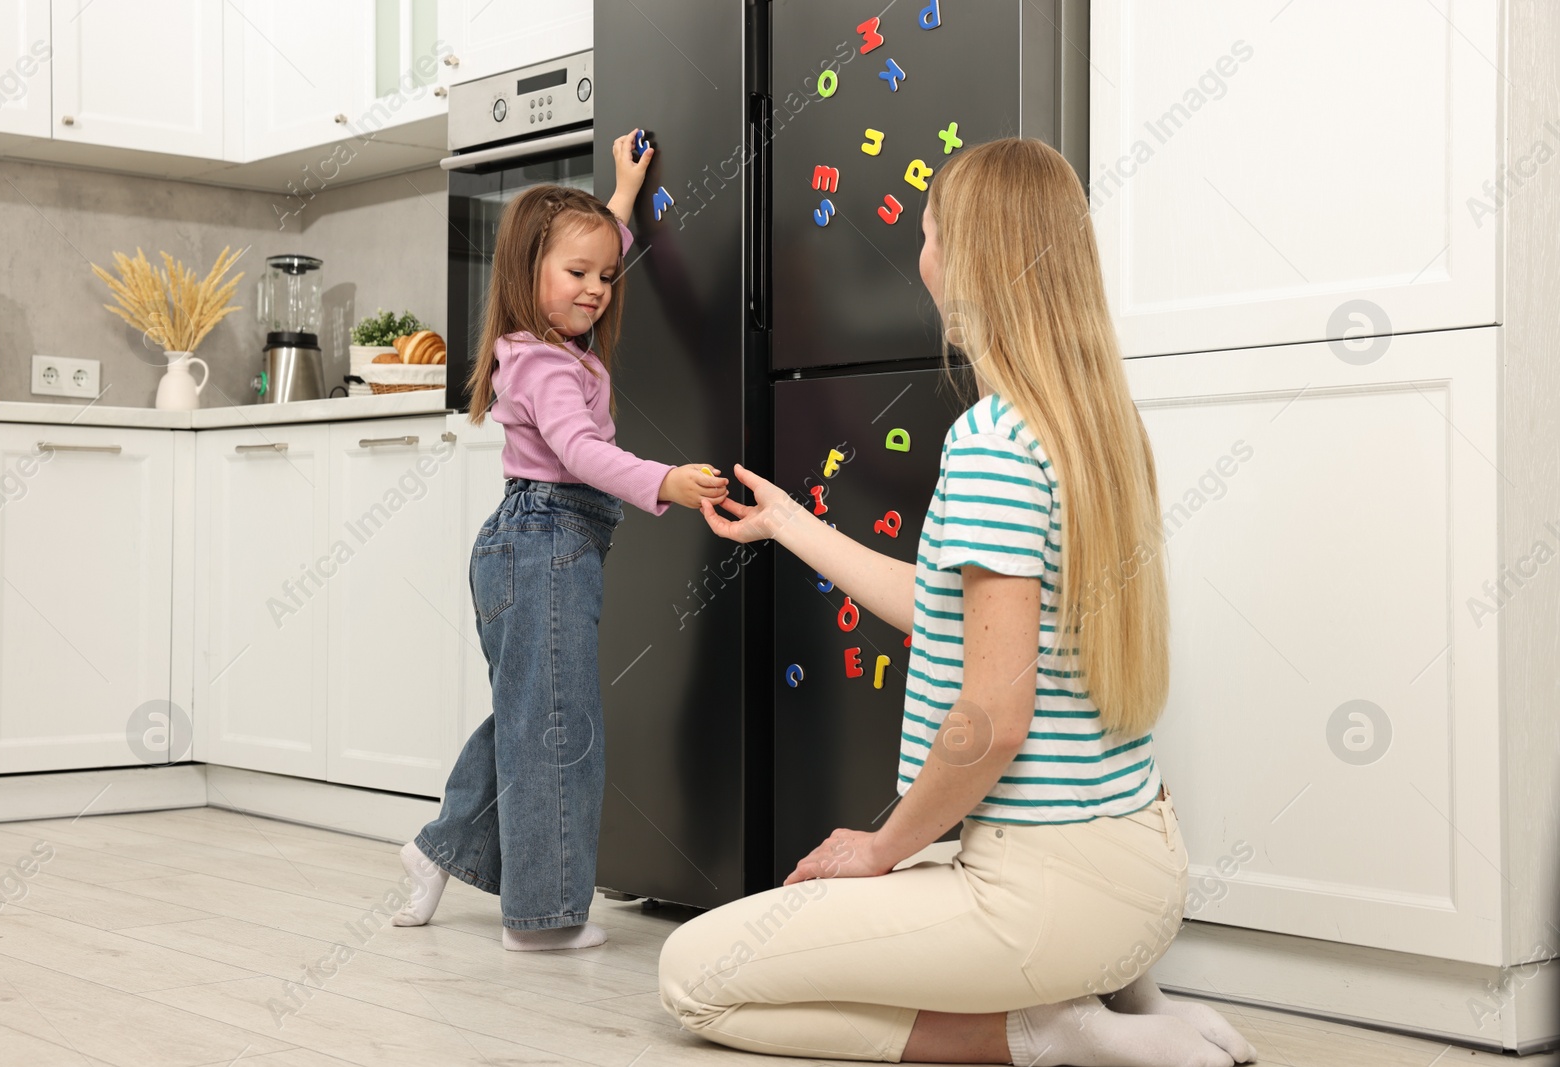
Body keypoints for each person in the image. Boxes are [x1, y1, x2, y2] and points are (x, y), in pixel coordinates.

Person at [658, 138, 1257, 1065]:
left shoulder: (989, 440)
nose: (921, 255)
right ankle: (1121, 999)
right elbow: (951, 614)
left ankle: (1054, 1030)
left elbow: (991, 715)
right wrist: (788, 523)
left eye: (930, 235)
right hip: (1142, 873)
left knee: (694, 973)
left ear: (968, 263)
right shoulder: (1093, 424)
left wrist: (882, 847)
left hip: (1044, 896)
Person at [391, 130, 729, 949]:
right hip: (544, 539)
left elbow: (592, 241)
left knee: (534, 713)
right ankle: (541, 919)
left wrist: (621, 192)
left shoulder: (547, 342)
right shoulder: (542, 365)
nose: (598, 289)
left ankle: (437, 850)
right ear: (526, 275)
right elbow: (580, 453)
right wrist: (665, 481)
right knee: (554, 726)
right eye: (577, 275)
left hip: (539, 542)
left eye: (607, 275)